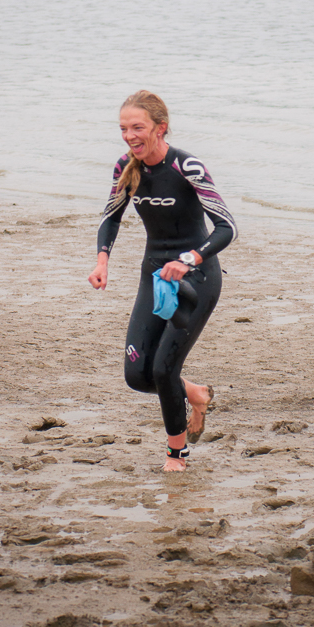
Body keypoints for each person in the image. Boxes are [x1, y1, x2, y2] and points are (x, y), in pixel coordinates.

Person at [88, 90, 237, 472]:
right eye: (123, 129)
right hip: (153, 274)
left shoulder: (187, 166)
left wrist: (189, 259)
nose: (129, 136)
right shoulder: (126, 166)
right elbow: (111, 217)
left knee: (163, 369)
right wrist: (102, 261)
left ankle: (176, 454)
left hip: (196, 279)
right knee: (137, 374)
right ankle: (195, 394)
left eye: (137, 127)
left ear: (160, 127)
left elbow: (227, 227)